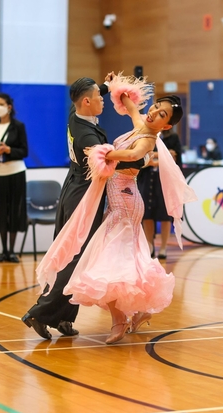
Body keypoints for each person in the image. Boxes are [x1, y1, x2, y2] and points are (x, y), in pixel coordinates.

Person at [36, 88, 194, 345]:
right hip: (118, 202)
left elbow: (132, 155)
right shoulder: (141, 124)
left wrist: (103, 154)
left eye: (162, 114)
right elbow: (130, 105)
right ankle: (140, 311)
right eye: (156, 106)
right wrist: (115, 86)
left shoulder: (148, 140)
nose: (154, 112)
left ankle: (119, 320)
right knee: (122, 262)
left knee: (107, 262)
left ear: (166, 126)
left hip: (125, 203)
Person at [21, 75, 147, 340]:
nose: (103, 100)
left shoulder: (75, 114)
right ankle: (39, 313)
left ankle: (64, 318)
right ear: (87, 102)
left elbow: (87, 94)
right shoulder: (87, 136)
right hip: (83, 197)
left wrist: (108, 86)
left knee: (75, 256)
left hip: (73, 188)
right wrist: (142, 159)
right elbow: (110, 162)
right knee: (76, 258)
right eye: (99, 97)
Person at [0, 93, 28, 263]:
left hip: (15, 172)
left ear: (9, 106)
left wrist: (8, 150)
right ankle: (3, 251)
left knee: (14, 210)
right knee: (0, 211)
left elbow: (24, 151)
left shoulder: (18, 126)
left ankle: (12, 251)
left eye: (0, 104)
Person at [137, 127, 183, 259]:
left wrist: (153, 157)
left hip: (165, 180)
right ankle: (149, 245)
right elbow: (141, 156)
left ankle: (163, 247)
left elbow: (174, 157)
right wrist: (160, 156)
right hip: (147, 178)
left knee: (165, 214)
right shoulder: (145, 136)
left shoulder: (173, 137)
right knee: (147, 214)